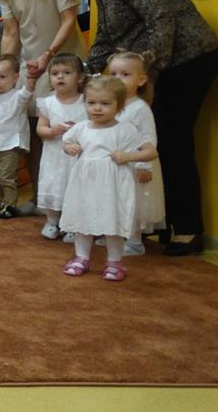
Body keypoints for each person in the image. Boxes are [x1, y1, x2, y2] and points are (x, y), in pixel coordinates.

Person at [54, 0, 218, 255]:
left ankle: (188, 229)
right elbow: (106, 37)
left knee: (171, 141)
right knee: (148, 140)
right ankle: (157, 223)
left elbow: (162, 24)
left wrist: (149, 77)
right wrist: (86, 73)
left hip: (189, 60)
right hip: (155, 67)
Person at [0, 0, 85, 213]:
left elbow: (68, 19)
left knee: (69, 131)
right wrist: (6, 71)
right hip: (30, 67)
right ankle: (38, 198)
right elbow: (11, 33)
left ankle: (74, 201)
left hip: (63, 62)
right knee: (34, 133)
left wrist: (49, 54)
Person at [59, 75, 156, 282]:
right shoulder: (81, 127)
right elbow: (66, 142)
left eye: (105, 104)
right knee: (83, 219)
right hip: (85, 184)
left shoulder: (125, 129)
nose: (97, 108)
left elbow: (150, 152)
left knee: (113, 222)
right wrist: (69, 147)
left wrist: (128, 156)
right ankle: (81, 258)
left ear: (119, 106)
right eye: (91, 103)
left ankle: (114, 262)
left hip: (113, 185)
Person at [107, 50, 165, 256]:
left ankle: (134, 241)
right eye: (113, 74)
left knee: (133, 202)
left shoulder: (140, 108)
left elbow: (149, 139)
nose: (118, 79)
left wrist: (143, 165)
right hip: (117, 163)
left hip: (135, 164)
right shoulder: (112, 104)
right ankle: (116, 235)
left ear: (141, 80)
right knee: (118, 200)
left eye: (125, 74)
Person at [34, 53, 87, 241]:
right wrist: (51, 131)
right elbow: (40, 129)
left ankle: (72, 224)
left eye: (67, 72)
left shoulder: (86, 102)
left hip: (77, 155)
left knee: (75, 187)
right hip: (54, 155)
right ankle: (52, 221)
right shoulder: (48, 103)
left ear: (80, 77)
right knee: (53, 184)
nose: (60, 77)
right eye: (55, 73)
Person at [0, 53, 38, 219]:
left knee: (7, 178)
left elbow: (27, 92)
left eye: (2, 77)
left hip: (10, 146)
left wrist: (31, 79)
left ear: (15, 78)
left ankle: (9, 205)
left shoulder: (17, 96)